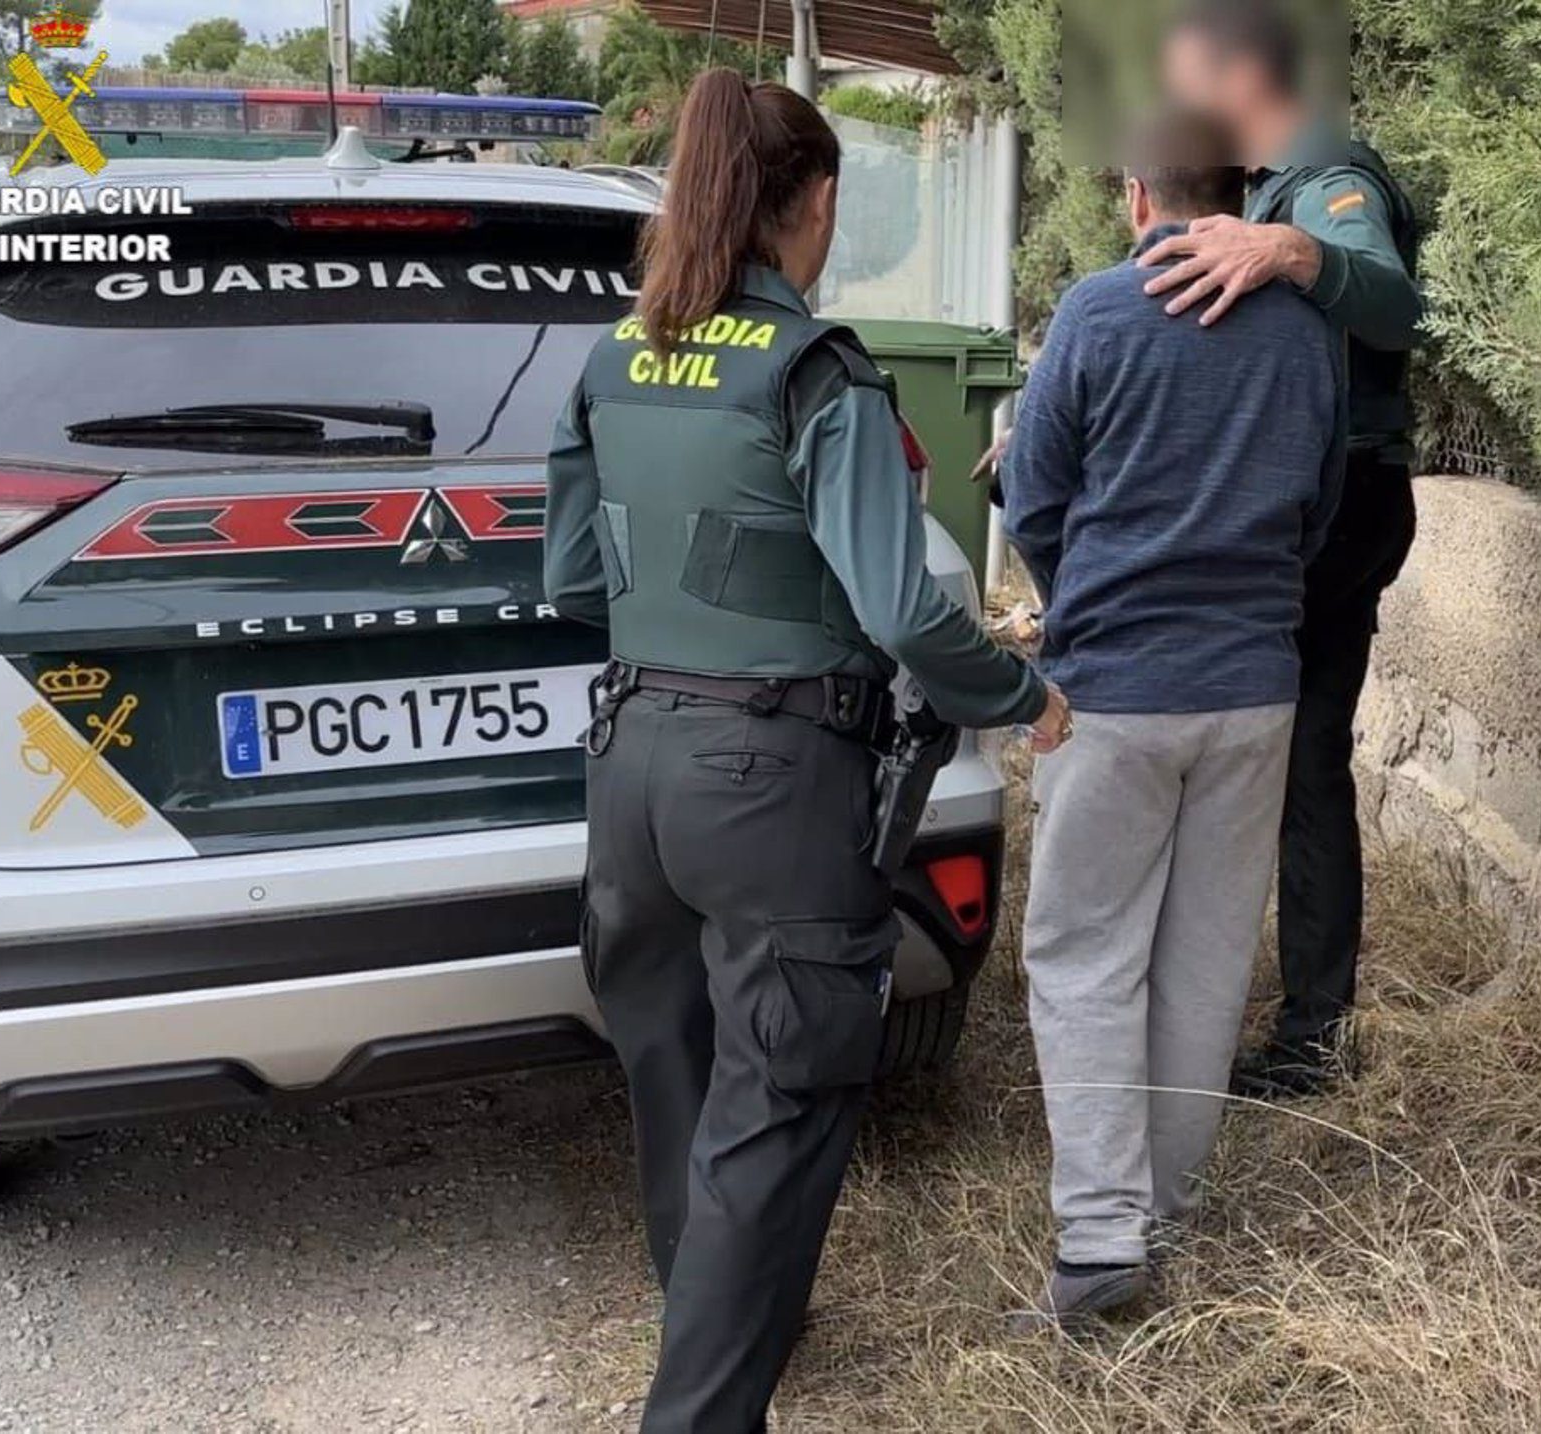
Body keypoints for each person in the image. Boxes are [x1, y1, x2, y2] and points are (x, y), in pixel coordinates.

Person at [542, 69, 1070, 1433]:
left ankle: (711, 1327)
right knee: (776, 1112)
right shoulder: (809, 368)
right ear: (817, 202)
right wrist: (1020, 693)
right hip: (773, 785)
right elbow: (906, 610)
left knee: (680, 1084)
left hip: (631, 769)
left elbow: (572, 580)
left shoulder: (614, 355)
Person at [1000, 110, 1346, 1326]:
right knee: (1205, 959)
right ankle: (1165, 1213)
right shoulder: (1306, 333)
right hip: (1254, 689)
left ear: (1139, 196)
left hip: (1118, 692)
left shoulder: (1098, 312)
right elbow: (1319, 510)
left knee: (1087, 957)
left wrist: (1079, 606)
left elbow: (1034, 498)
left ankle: (1101, 1242)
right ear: (1244, 198)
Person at [1145, 0, 1425, 1097]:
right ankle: (1295, 1016)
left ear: (1239, 75)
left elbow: (1394, 306)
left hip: (1341, 503)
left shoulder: (1324, 180)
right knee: (1285, 757)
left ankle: (1313, 1036)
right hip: (1307, 500)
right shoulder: (1264, 189)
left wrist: (1296, 249)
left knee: (1293, 760)